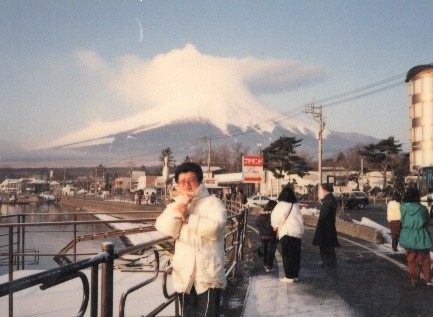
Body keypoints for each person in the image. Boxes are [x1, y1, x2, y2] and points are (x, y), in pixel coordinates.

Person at [155, 162, 227, 316]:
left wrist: (188, 218)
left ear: (200, 181)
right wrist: (181, 207)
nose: (186, 184)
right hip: (185, 274)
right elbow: (164, 228)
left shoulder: (213, 203)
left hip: (208, 274)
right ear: (177, 184)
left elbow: (216, 229)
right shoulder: (176, 205)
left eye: (191, 180)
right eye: (182, 181)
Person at [399, 187, 432, 288]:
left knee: (412, 259)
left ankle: (414, 281)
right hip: (421, 235)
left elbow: (402, 221)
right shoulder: (423, 208)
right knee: (425, 258)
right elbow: (427, 221)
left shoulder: (403, 208)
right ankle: (428, 280)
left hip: (408, 236)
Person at [271, 185, 304, 283]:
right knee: (296, 255)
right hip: (297, 233)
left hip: (286, 232)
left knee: (287, 255)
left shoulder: (281, 205)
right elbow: (300, 220)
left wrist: (275, 227)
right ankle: (295, 275)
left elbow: (275, 219)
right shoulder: (295, 206)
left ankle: (288, 276)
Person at [312, 183, 340, 268]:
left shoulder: (327, 200)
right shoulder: (332, 198)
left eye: (322, 190)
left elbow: (324, 215)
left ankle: (327, 264)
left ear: (324, 190)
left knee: (323, 247)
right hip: (330, 227)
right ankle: (332, 264)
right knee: (330, 247)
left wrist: (320, 227)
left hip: (324, 227)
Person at [255, 200, 278, 272]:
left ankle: (265, 264)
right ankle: (269, 266)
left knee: (265, 250)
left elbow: (257, 223)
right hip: (271, 235)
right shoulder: (274, 214)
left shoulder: (262, 214)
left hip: (262, 236)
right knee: (271, 251)